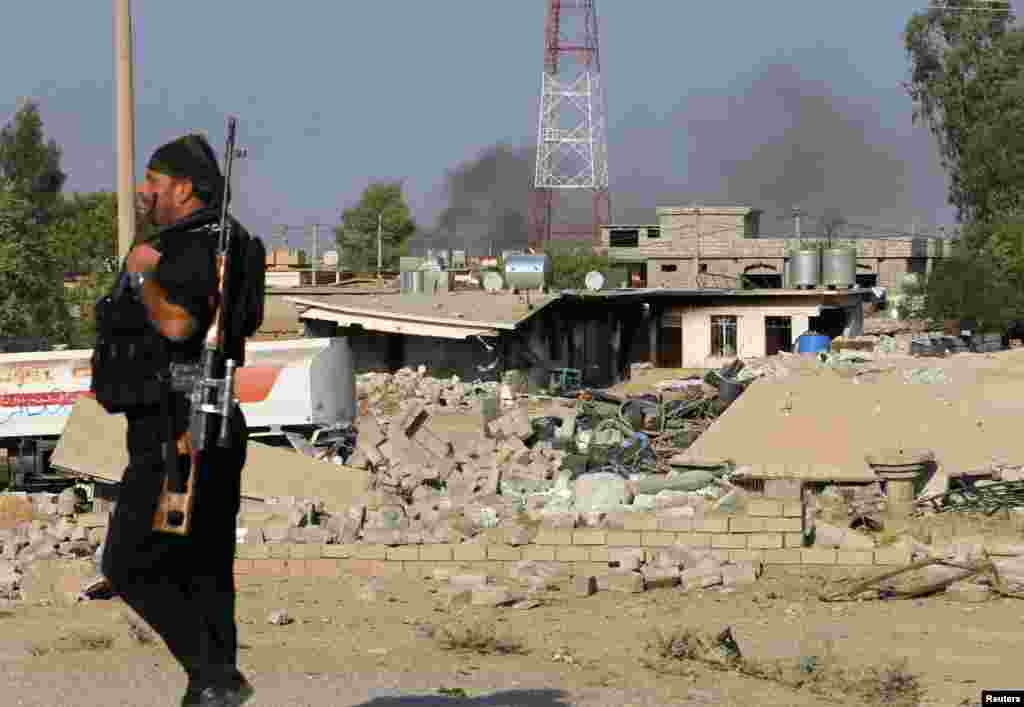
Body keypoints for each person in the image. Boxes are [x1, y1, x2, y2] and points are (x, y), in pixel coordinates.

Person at [95, 134, 255, 707]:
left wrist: (141, 273)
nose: (144, 192)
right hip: (194, 427)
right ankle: (210, 688)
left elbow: (180, 326)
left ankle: (214, 676)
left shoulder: (197, 248)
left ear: (183, 188)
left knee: (128, 563)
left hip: (179, 433)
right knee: (205, 575)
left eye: (154, 183)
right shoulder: (221, 241)